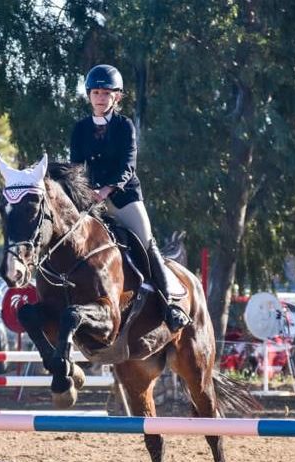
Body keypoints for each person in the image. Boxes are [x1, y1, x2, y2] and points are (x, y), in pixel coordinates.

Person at [69, 64, 190, 333]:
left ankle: (169, 304)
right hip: (90, 200)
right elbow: (75, 167)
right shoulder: (79, 130)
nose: (100, 98)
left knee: (146, 242)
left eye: (106, 93)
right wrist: (83, 192)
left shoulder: (125, 127)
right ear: (89, 95)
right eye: (96, 92)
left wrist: (105, 190)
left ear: (117, 97)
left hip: (123, 198)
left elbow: (127, 165)